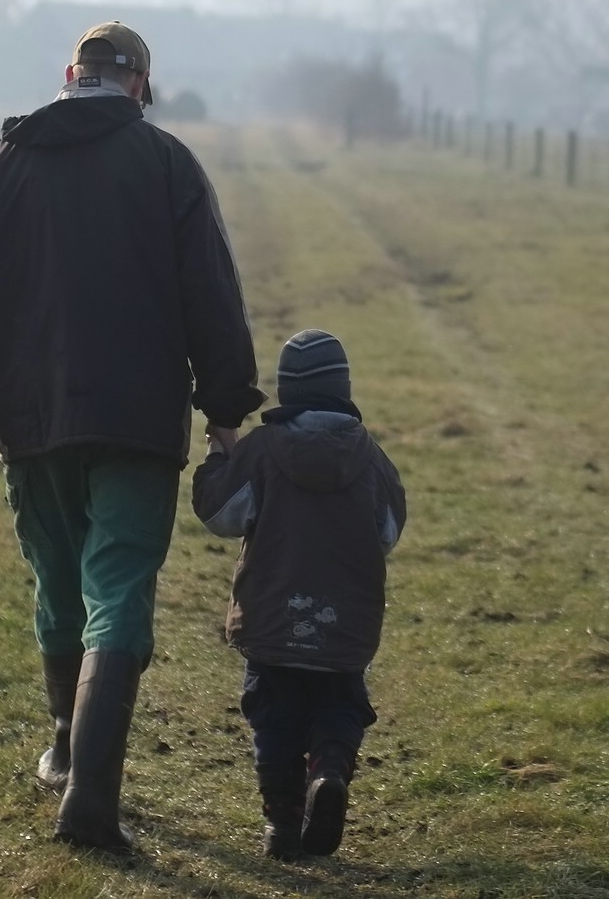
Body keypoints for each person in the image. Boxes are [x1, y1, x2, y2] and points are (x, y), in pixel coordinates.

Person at [0, 21, 265, 853]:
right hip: (136, 424)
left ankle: (61, 740)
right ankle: (91, 794)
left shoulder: (7, 162)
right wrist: (225, 403)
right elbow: (212, 290)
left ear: (69, 74)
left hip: (34, 420)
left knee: (59, 587)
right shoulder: (167, 165)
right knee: (116, 589)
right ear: (138, 87)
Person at [192, 330, 407, 861]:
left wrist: (220, 458)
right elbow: (389, 531)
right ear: (343, 388)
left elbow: (220, 514)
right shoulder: (371, 457)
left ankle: (282, 826)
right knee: (339, 706)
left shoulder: (262, 450)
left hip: (273, 620)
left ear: (287, 392)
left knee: (274, 715)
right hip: (345, 624)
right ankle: (329, 773)